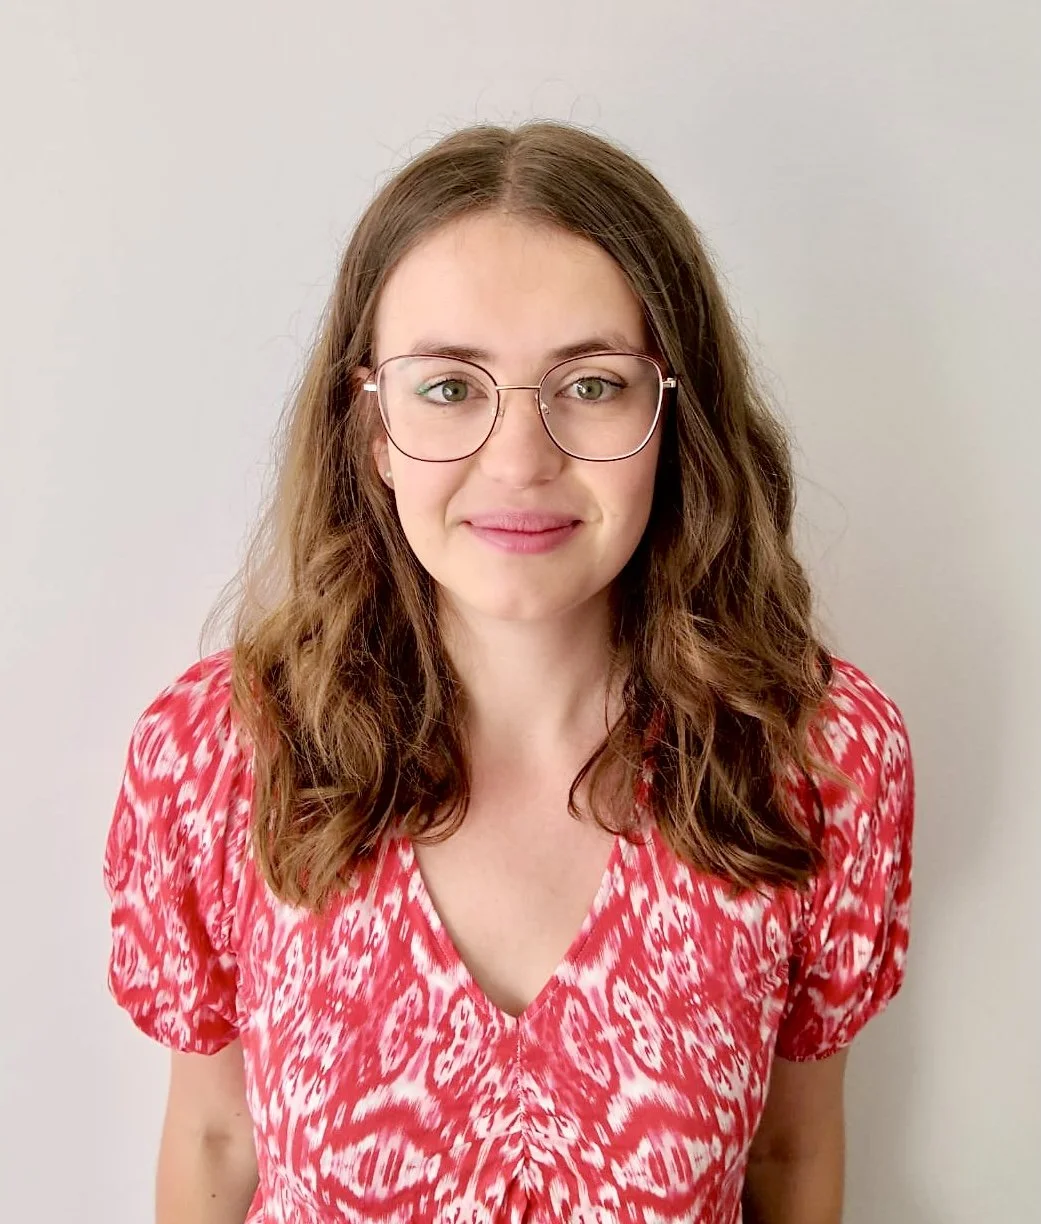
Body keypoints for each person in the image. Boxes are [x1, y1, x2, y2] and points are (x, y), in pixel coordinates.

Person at [102, 121, 915, 1224]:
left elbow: (790, 1153)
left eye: (589, 384)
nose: (520, 458)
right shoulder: (218, 757)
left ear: (674, 416)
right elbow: (213, 1135)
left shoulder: (819, 758)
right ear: (373, 426)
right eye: (449, 389)